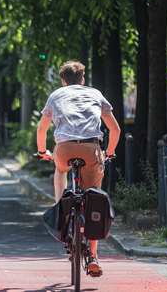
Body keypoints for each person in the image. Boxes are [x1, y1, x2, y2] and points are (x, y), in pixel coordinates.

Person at [36, 60, 120, 276]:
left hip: (63, 150)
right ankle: (93, 256)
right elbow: (115, 129)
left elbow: (42, 129)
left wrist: (43, 152)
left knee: (60, 170)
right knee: (94, 198)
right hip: (92, 149)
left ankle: (60, 211)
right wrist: (109, 153)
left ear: (63, 81)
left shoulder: (56, 95)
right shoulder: (95, 94)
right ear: (83, 80)